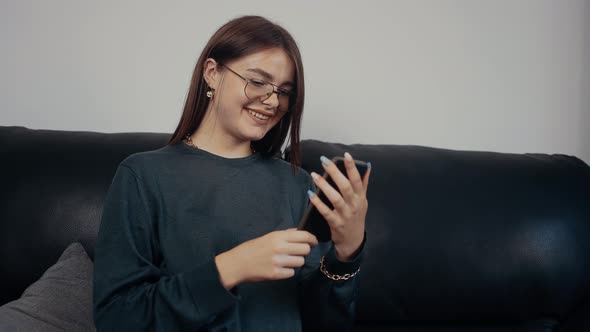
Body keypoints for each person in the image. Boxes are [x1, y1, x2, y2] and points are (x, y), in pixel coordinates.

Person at [93, 15, 371, 332]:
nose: (272, 100)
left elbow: (323, 322)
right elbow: (118, 318)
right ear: (212, 73)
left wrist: (347, 253)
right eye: (257, 81)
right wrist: (230, 268)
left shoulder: (296, 184)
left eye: (284, 90)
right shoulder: (142, 176)